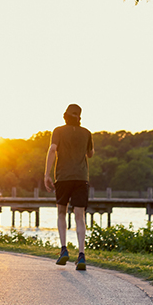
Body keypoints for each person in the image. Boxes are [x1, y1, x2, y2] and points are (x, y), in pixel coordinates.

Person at [43, 104, 94, 271]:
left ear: (65, 115)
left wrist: (47, 174)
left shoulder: (58, 131)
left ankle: (64, 249)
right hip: (81, 178)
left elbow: (52, 149)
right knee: (80, 216)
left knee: (61, 212)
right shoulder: (86, 133)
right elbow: (90, 154)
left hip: (63, 177)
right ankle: (81, 255)